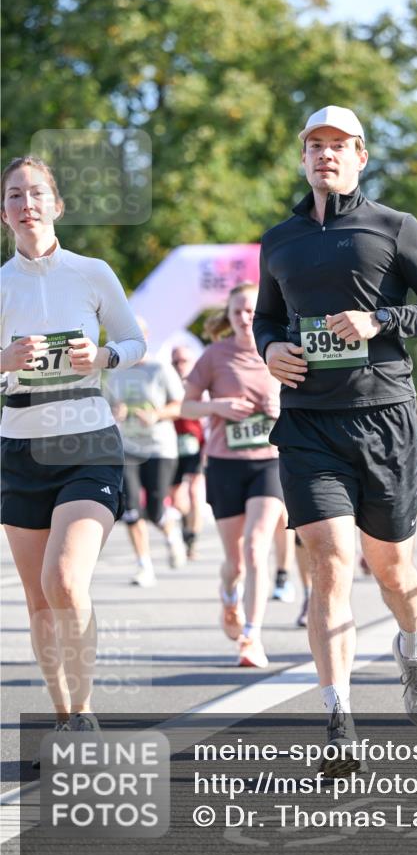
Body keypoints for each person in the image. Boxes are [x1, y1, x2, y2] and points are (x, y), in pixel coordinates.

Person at [253, 105, 417, 774]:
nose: (326, 155)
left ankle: (412, 645)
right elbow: (265, 318)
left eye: (339, 145)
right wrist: (271, 350)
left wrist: (379, 319)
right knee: (328, 559)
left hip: (384, 418)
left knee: (393, 572)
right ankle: (338, 718)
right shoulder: (278, 240)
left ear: (361, 155)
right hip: (309, 421)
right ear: (302, 157)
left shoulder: (393, 227)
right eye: (314, 145)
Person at [0, 155, 145, 748]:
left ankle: (83, 711)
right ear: (3, 212)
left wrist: (103, 357)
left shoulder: (91, 272)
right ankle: (63, 716)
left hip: (87, 443)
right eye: (14, 195)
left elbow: (135, 340)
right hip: (18, 450)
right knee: (38, 599)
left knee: (64, 580)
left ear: (57, 205)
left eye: (36, 193)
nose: (26, 203)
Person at [180, 282, 287, 669]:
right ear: (228, 316)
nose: (245, 318)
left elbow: (311, 397)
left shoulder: (282, 349)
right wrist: (219, 406)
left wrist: (283, 407)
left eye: (252, 310)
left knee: (257, 546)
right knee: (235, 562)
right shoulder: (214, 355)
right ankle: (229, 595)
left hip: (270, 460)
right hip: (226, 462)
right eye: (238, 311)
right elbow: (186, 406)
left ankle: (252, 636)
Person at [105, 319, 187, 586]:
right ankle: (144, 566)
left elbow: (180, 406)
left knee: (154, 509)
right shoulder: (114, 372)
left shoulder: (160, 369)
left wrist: (156, 415)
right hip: (127, 448)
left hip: (159, 447)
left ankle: (172, 534)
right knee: (130, 508)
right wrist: (115, 412)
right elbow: (107, 406)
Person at [170, 345, 206, 559]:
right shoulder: (166, 382)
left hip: (196, 444)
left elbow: (210, 418)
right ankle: (186, 525)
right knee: (176, 496)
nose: (180, 365)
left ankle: (192, 539)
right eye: (176, 362)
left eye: (184, 361)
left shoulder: (201, 384)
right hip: (172, 444)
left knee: (194, 491)